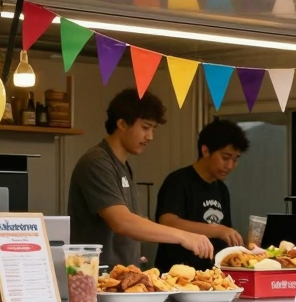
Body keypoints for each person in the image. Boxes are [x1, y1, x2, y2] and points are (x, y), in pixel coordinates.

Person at [67, 89, 212, 270]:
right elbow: (122, 221)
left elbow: (135, 221)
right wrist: (183, 236)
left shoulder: (122, 165)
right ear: (121, 123)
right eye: (145, 127)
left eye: (153, 129)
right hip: (95, 278)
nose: (150, 137)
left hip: (123, 276)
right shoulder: (97, 162)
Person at [155, 118, 250, 270]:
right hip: (175, 274)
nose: (230, 165)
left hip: (211, 274)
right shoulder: (178, 181)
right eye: (225, 157)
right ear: (205, 151)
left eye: (235, 159)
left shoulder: (222, 189)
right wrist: (218, 230)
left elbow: (224, 237)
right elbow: (167, 222)